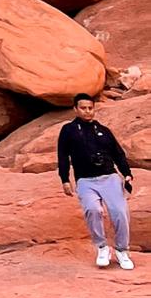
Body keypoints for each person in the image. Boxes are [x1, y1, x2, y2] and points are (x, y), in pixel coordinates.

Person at [58, 92, 135, 269]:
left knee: (120, 213)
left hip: (109, 177)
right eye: (83, 108)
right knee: (93, 210)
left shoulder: (103, 131)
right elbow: (63, 155)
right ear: (75, 109)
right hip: (85, 180)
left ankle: (122, 250)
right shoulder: (68, 131)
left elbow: (118, 153)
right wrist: (65, 179)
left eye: (90, 108)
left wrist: (126, 173)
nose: (87, 112)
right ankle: (102, 247)